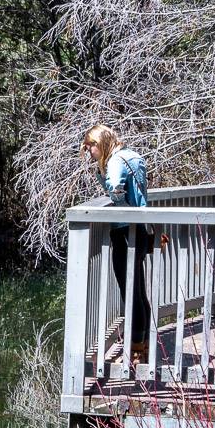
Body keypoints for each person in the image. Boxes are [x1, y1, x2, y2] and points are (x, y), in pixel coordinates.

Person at [82, 124, 152, 360]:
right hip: (139, 228)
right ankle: (142, 344)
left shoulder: (115, 160)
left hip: (124, 231)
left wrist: (115, 196)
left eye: (90, 145)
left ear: (100, 143)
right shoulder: (131, 155)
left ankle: (135, 351)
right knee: (138, 290)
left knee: (130, 291)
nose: (88, 150)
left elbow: (116, 186)